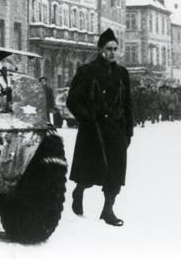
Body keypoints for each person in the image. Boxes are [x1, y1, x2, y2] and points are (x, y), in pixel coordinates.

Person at [66, 28, 133, 227]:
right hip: (93, 130)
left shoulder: (122, 73)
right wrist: (87, 118)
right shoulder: (87, 71)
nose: (112, 52)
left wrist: (129, 130)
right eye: (108, 48)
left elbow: (128, 103)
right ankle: (79, 191)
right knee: (89, 170)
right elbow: (73, 100)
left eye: (115, 48)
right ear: (100, 49)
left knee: (115, 172)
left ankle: (108, 209)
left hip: (116, 128)